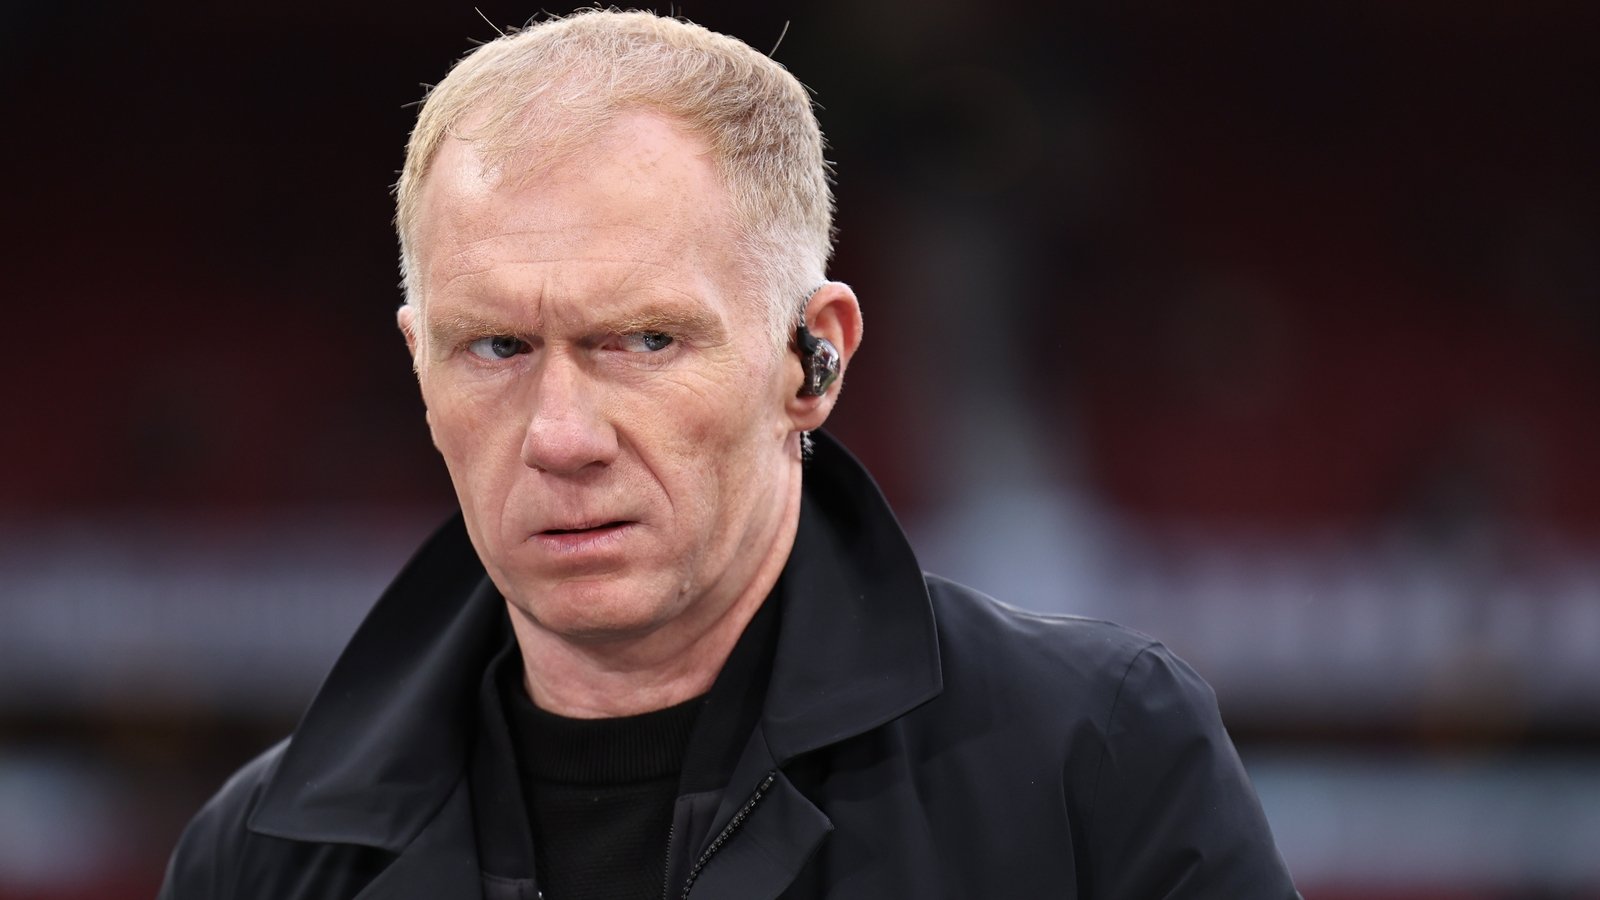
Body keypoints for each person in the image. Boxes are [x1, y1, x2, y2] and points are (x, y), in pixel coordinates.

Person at [160, 10, 1300, 899]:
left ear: (814, 360)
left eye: (643, 340)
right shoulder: (256, 861)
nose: (561, 437)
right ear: (420, 367)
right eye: (495, 347)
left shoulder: (1094, 759)